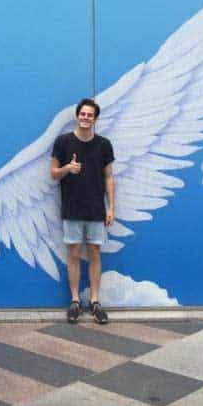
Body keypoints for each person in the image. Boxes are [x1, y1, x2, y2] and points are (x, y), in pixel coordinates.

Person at [50, 98, 115, 324]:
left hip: (96, 209)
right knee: (74, 254)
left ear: (95, 119)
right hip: (72, 208)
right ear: (77, 116)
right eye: (83, 114)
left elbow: (109, 177)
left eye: (90, 115)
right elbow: (53, 173)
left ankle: (95, 302)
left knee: (95, 253)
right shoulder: (63, 142)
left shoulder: (104, 145)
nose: (86, 118)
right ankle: (75, 301)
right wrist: (68, 168)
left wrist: (111, 207)